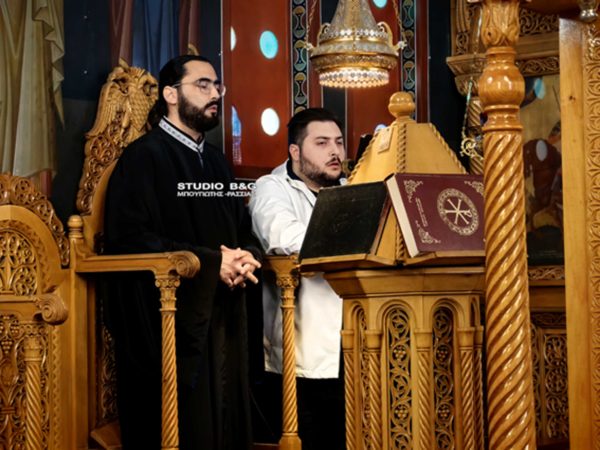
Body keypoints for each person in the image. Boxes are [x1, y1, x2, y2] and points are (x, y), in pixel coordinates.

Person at [104, 55, 261, 450]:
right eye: (202, 85)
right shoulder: (143, 157)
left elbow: (242, 228)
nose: (214, 94)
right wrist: (212, 264)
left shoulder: (218, 162)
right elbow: (130, 238)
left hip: (222, 312)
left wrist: (245, 257)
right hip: (171, 319)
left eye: (217, 86)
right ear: (171, 95)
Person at [248, 108, 346, 450]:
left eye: (339, 142)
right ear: (295, 151)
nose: (335, 151)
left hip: (356, 340)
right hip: (304, 350)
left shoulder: (351, 187)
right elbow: (286, 238)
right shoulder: (271, 188)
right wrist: (355, 235)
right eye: (322, 143)